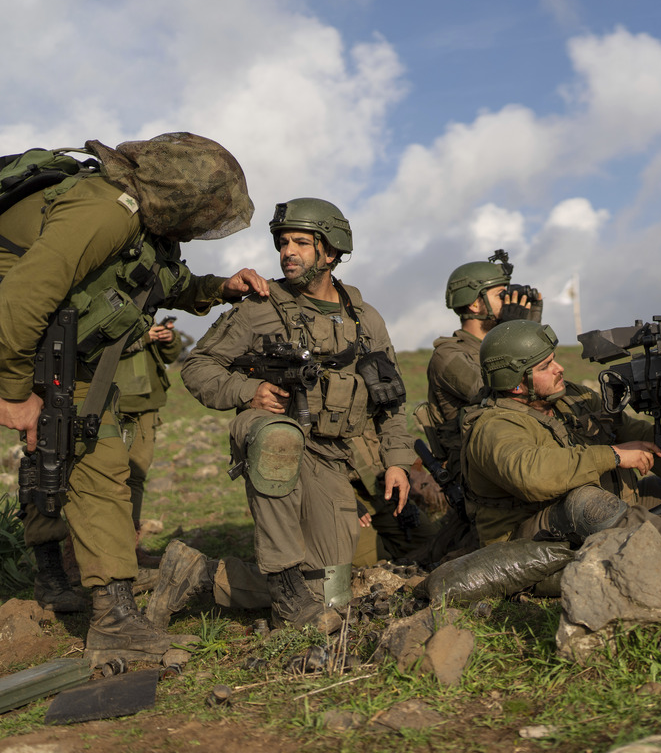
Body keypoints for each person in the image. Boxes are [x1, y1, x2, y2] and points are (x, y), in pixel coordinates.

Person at [0, 132, 269, 658]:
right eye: (203, 210)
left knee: (97, 462)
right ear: (178, 196)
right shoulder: (103, 211)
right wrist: (13, 393)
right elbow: (20, 301)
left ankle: (114, 614)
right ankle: (106, 612)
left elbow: (162, 282)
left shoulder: (145, 226)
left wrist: (221, 288)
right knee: (88, 459)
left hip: (56, 345)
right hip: (21, 337)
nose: (203, 222)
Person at [180, 198, 416, 632]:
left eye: (302, 243)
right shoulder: (259, 308)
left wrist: (398, 460)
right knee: (278, 438)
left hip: (331, 455)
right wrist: (247, 390)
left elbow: (391, 399)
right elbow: (197, 367)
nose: (288, 251)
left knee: (331, 593)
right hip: (274, 434)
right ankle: (286, 590)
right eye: (283, 242)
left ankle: (197, 577)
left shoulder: (365, 321)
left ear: (330, 251)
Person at [460, 320, 661, 568]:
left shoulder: (570, 399)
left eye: (553, 360)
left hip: (599, 510)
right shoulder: (494, 427)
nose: (559, 369)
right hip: (526, 539)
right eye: (544, 367)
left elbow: (640, 436)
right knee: (588, 503)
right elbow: (533, 476)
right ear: (515, 383)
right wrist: (615, 456)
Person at [425, 250, 541, 482]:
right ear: (475, 304)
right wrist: (510, 331)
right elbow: (500, 393)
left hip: (516, 447)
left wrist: (528, 326)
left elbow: (542, 379)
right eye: (501, 295)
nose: (509, 301)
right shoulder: (448, 355)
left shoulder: (487, 346)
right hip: (476, 467)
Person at [118, 316, 184, 565]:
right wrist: (143, 337)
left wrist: (168, 339)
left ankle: (130, 550)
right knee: (101, 480)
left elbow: (169, 355)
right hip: (109, 402)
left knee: (137, 476)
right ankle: (85, 555)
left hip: (146, 403)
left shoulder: (145, 305)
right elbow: (91, 344)